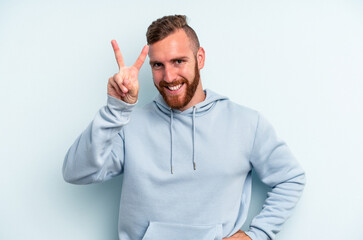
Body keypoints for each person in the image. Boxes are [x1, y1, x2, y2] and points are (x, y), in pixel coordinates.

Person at [63, 15, 306, 240]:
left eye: (178, 61)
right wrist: (115, 109)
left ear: (199, 58)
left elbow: (291, 178)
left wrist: (258, 234)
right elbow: (76, 173)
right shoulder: (129, 124)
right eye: (158, 65)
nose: (168, 77)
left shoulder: (246, 123)